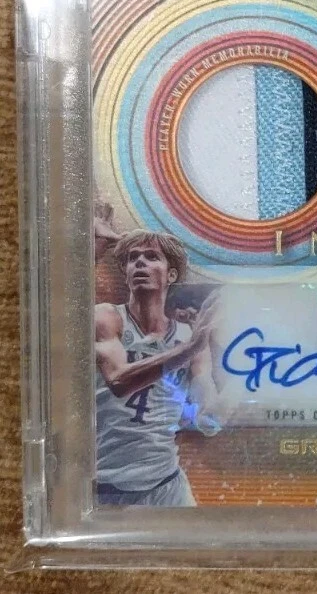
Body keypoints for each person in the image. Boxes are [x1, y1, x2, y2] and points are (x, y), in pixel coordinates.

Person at [93, 202, 224, 506]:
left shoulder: (189, 335)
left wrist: (244, 385)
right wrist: (189, 349)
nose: (140, 262)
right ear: (125, 272)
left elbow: (208, 414)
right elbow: (119, 381)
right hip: (108, 488)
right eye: (132, 258)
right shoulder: (107, 317)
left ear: (171, 274)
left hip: (168, 485)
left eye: (151, 257)